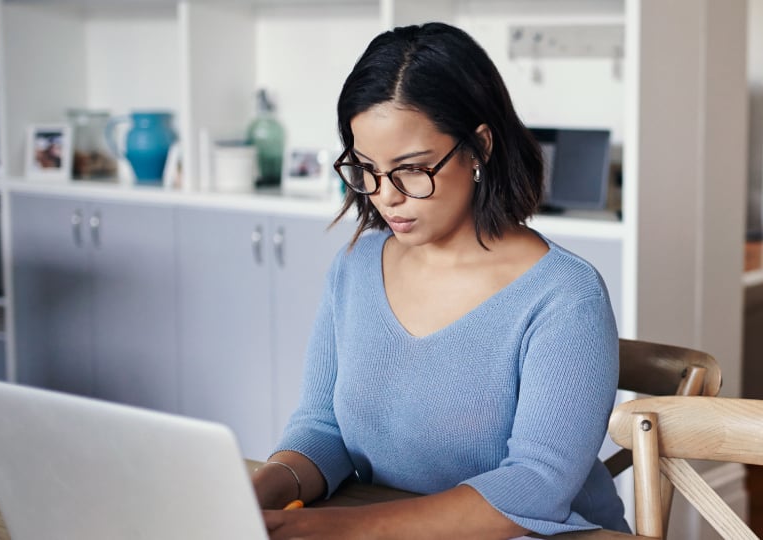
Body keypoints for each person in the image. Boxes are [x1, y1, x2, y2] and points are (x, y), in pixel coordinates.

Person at [252, 22, 630, 539]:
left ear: (478, 147)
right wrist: (257, 492)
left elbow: (537, 484)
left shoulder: (564, 295)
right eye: (365, 168)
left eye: (411, 169)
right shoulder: (357, 267)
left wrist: (347, 529)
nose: (385, 196)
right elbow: (324, 429)